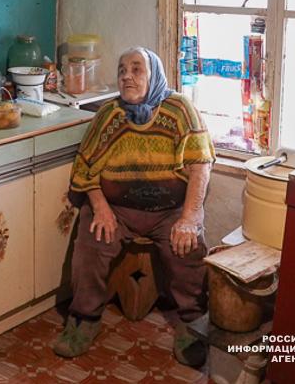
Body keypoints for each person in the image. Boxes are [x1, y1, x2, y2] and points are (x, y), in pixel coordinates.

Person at [53, 47, 214, 367]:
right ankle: (84, 318)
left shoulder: (179, 109)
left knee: (188, 247)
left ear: (154, 75)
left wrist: (190, 216)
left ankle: (193, 322)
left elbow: (201, 165)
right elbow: (85, 168)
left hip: (169, 210)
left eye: (137, 69)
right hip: (117, 209)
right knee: (91, 240)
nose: (127, 76)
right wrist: (100, 206)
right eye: (122, 70)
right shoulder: (109, 115)